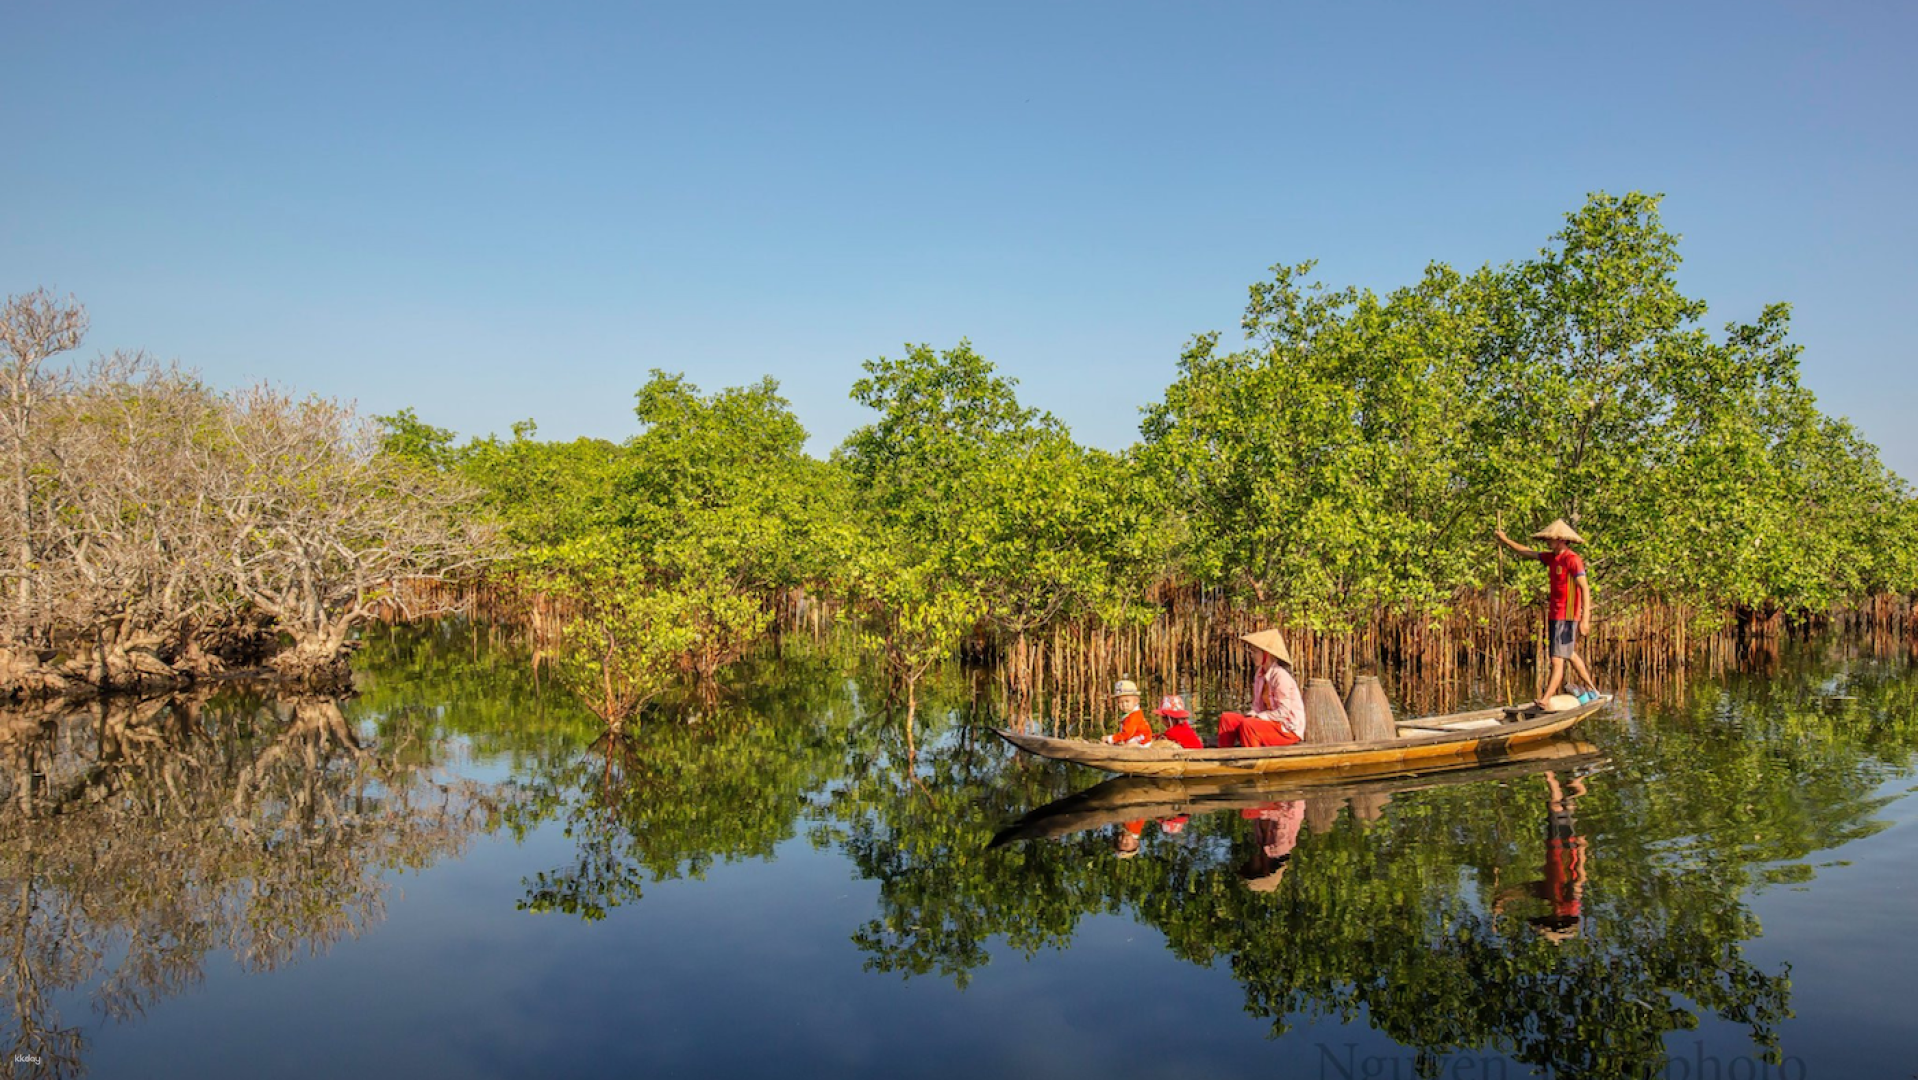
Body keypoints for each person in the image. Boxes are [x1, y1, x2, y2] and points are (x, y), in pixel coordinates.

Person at [1495, 518, 1599, 710]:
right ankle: (1593, 689)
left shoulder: (1573, 560)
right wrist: (1506, 540)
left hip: (1567, 616)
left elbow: (1585, 589)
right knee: (1570, 654)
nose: (1547, 543)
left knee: (1556, 660)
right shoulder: (1552, 558)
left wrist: (1585, 619)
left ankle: (1546, 698)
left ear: (1560, 539)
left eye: (1550, 539)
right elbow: (1527, 552)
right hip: (1555, 615)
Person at [1492, 770, 1588, 943]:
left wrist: (1502, 899)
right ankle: (1549, 771)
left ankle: (1575, 776)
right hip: (1563, 849)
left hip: (1557, 848)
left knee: (1565, 807)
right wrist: (1581, 849)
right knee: (1557, 807)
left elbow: (1527, 889)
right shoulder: (1568, 902)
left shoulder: (1552, 897)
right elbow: (1579, 878)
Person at [1216, 629, 1305, 747]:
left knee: (1249, 726)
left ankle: (1252, 759)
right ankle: (1224, 757)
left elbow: (1283, 712)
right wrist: (1252, 714)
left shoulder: (1280, 677)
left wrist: (1258, 718)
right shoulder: (1260, 674)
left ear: (1266, 654)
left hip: (1287, 728)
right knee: (1227, 718)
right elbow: (1257, 706)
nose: (1252, 655)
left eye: (1255, 652)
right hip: (1268, 723)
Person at [1238, 799, 1305, 892]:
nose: (1248, 862)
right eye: (1251, 869)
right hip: (1289, 798)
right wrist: (1260, 812)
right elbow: (1284, 815)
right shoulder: (1279, 849)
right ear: (1265, 870)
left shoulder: (1261, 843)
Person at [1102, 677, 1155, 745]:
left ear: (1136, 701)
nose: (1124, 705)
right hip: (1135, 739)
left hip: (1142, 741)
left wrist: (1111, 738)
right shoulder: (1130, 714)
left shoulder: (1134, 716)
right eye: (1121, 702)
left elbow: (1127, 733)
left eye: (1127, 701)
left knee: (1129, 746)